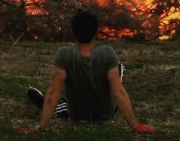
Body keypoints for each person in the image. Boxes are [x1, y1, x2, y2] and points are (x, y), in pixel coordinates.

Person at [17, 10, 155, 136]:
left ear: (73, 32)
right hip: (106, 113)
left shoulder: (64, 55)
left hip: (77, 114)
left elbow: (54, 93)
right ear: (96, 32)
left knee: (62, 106)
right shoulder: (108, 53)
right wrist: (135, 126)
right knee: (119, 68)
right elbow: (118, 92)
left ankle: (43, 103)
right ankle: (50, 103)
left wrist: (39, 127)